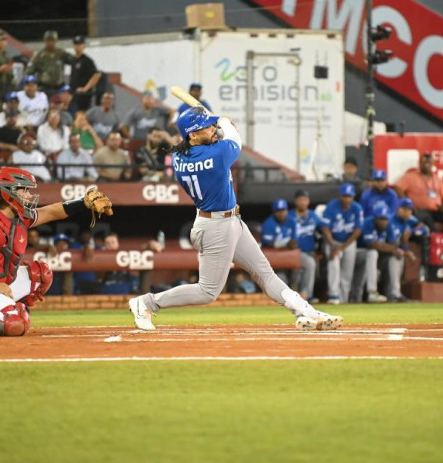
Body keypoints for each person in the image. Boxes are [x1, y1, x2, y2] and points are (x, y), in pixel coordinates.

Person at [128, 107, 342, 332]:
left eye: (212, 125)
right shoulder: (216, 153)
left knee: (264, 273)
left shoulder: (182, 155)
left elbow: (218, 138)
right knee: (207, 291)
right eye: (206, 127)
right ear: (192, 135)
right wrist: (225, 122)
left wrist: (217, 126)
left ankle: (307, 312)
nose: (212, 129)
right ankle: (146, 303)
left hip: (227, 221)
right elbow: (233, 138)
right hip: (216, 227)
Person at [0, 168, 113, 337]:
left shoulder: (20, 217)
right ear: (9, 191)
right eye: (24, 190)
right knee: (17, 322)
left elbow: (50, 212)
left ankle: (8, 310)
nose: (29, 195)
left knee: (41, 274)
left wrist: (83, 203)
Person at [395, 152, 443, 233]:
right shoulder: (410, 176)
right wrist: (407, 204)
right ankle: (436, 238)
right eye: (424, 162)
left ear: (432, 164)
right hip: (419, 210)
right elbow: (397, 188)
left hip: (435, 210)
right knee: (426, 216)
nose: (427, 164)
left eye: (429, 162)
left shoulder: (437, 179)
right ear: (419, 163)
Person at [321, 182, 363, 304]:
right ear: (340, 196)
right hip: (333, 240)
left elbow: (357, 231)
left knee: (347, 271)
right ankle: (334, 296)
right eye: (344, 195)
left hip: (348, 242)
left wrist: (342, 247)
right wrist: (333, 245)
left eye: (349, 196)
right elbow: (325, 228)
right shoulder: (332, 206)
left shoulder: (357, 208)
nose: (347, 198)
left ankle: (343, 299)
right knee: (334, 262)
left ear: (353, 196)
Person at [387, 198, 428, 302]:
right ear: (398, 209)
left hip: (396, 249)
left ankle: (395, 293)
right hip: (384, 250)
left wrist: (412, 231)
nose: (407, 212)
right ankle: (395, 293)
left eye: (409, 209)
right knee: (397, 256)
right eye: (404, 209)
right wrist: (406, 251)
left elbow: (425, 230)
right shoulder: (391, 221)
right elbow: (393, 245)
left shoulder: (410, 219)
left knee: (399, 255)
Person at [352, 205, 394, 303]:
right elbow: (371, 244)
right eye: (381, 218)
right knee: (373, 253)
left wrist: (390, 248)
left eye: (385, 219)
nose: (383, 221)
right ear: (375, 217)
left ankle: (391, 293)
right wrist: (390, 248)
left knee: (360, 281)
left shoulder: (389, 224)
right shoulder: (368, 222)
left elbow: (394, 244)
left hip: (370, 257)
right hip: (357, 252)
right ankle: (372, 292)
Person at [288, 190, 324, 301]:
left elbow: (324, 228)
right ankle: (304, 296)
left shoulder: (313, 216)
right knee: (297, 275)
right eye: (300, 200)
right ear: (295, 201)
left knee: (312, 272)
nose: (303, 202)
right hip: (295, 252)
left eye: (305, 200)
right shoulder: (289, 216)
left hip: (310, 251)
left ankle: (306, 295)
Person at [260, 198, 299, 284]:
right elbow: (268, 243)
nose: (281, 213)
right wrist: (285, 244)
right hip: (273, 257)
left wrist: (291, 244)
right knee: (281, 278)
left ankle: (304, 294)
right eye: (278, 211)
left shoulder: (292, 221)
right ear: (274, 212)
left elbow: (294, 242)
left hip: (289, 255)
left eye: (283, 210)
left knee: (300, 270)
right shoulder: (268, 223)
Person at [26, 30, 75, 95]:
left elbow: (74, 62)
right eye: (48, 40)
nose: (50, 43)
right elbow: (29, 72)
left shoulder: (61, 53)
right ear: (44, 41)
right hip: (44, 88)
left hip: (59, 87)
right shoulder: (39, 56)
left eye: (52, 40)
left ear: (56, 41)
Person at [69, 35, 101, 110]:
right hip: (74, 93)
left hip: (83, 95)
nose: (78, 46)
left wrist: (85, 88)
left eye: (80, 44)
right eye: (76, 44)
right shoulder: (73, 60)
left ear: (84, 46)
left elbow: (96, 75)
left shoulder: (87, 60)